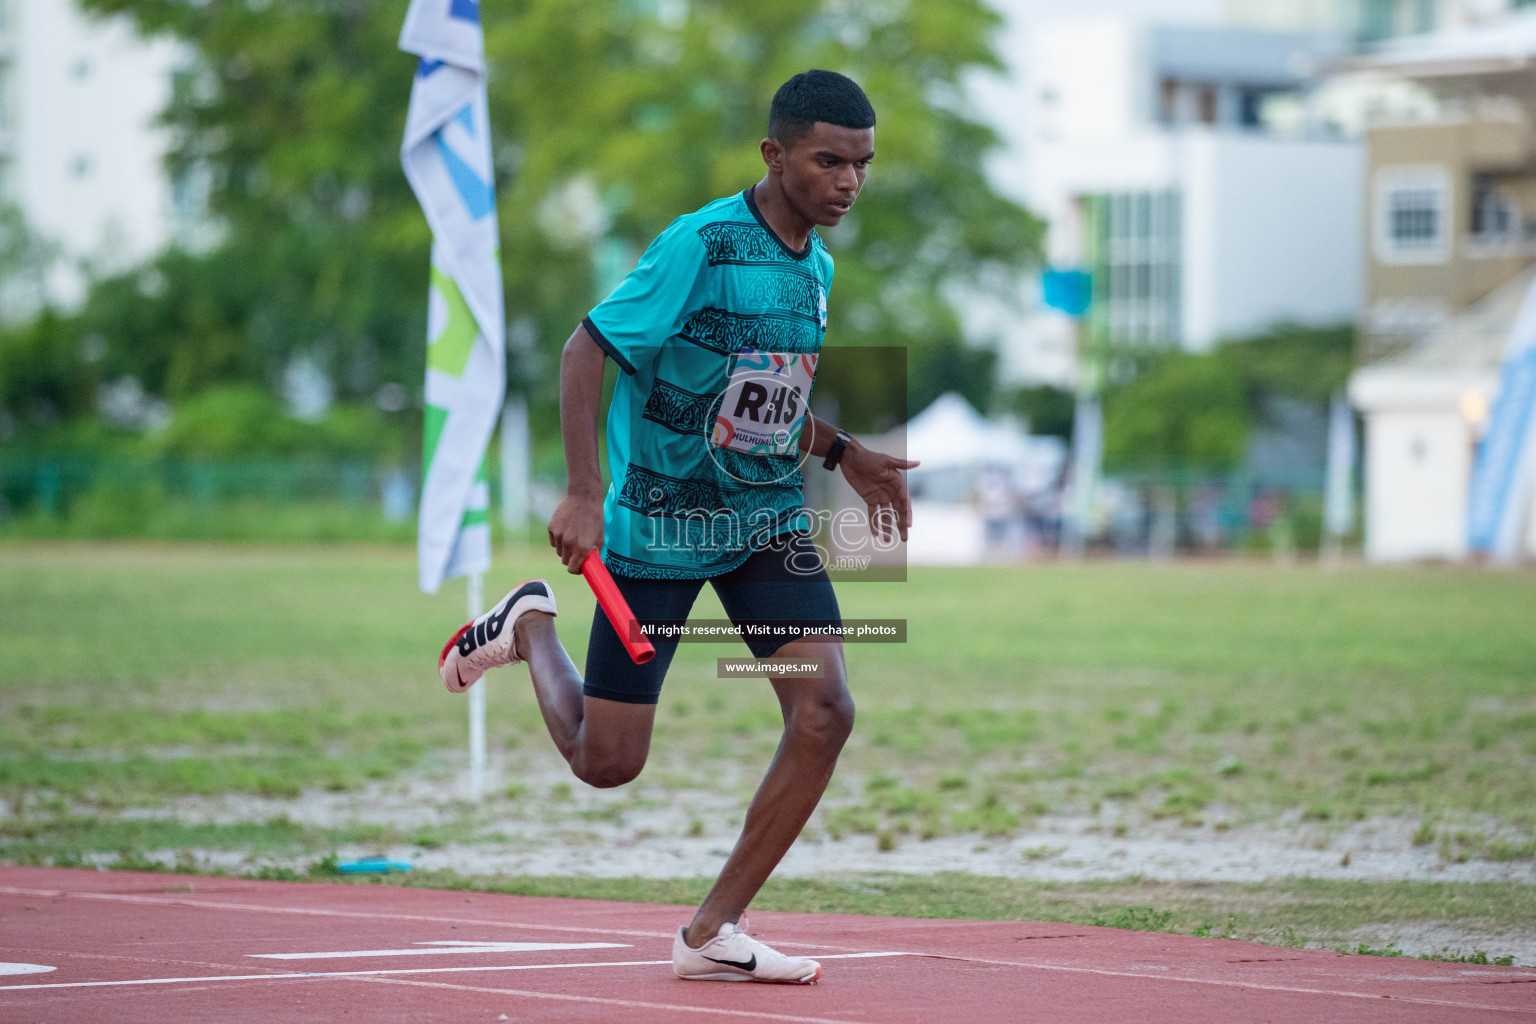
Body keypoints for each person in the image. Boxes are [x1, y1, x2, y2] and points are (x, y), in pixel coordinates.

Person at [439, 69, 916, 985]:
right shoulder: (699, 244)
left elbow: (756, 401)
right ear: (775, 155)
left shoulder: (816, 265)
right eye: (829, 161)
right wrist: (584, 492)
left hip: (764, 518)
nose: (849, 181)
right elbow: (588, 348)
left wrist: (840, 448)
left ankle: (710, 934)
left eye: (862, 164)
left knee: (825, 712)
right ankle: (527, 628)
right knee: (606, 762)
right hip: (659, 523)